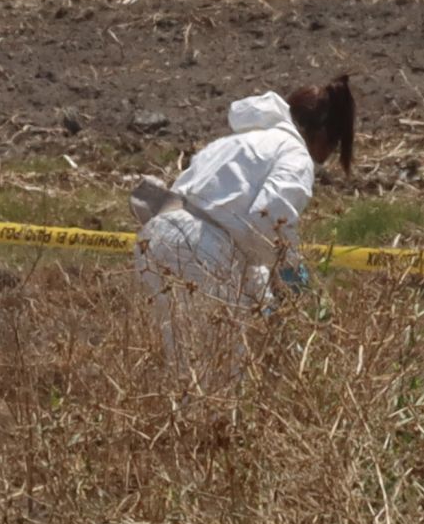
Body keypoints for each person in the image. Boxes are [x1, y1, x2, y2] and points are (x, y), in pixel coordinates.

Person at [132, 75, 355, 392]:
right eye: (330, 148)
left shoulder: (235, 143)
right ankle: (205, 439)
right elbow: (267, 222)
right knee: (217, 378)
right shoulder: (293, 153)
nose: (324, 158)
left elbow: (231, 229)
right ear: (320, 133)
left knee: (179, 368)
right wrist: (289, 269)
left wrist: (261, 292)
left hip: (157, 240)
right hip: (198, 253)